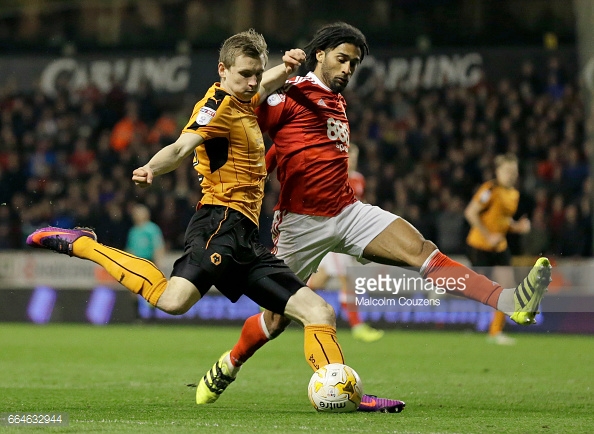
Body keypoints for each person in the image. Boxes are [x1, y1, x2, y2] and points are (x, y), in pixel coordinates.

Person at [196, 22, 552, 408]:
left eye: (354, 63)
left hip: (348, 211)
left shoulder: (337, 102)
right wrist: (281, 73)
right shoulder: (291, 94)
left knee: (422, 251)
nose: (348, 69)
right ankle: (229, 364)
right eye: (342, 59)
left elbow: (293, 149)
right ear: (320, 55)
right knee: (276, 319)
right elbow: (246, 106)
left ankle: (510, 301)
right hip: (300, 224)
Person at [27, 29, 381, 410]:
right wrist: (150, 167)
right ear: (222, 70)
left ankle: (346, 393)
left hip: (245, 237)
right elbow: (181, 147)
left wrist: (285, 68)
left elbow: (262, 85)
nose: (252, 82)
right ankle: (83, 244)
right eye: (245, 74)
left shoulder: (246, 97)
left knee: (319, 311)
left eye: (256, 74)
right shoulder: (217, 107)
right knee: (172, 300)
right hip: (217, 225)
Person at [306, 144, 384, 342]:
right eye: (349, 155)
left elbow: (359, 206)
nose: (352, 159)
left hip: (349, 236)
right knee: (347, 279)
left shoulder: (358, 179)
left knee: (320, 279)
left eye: (355, 156)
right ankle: (357, 325)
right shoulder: (332, 175)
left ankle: (282, 297)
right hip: (334, 235)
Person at [464, 154, 532, 345]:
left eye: (514, 172)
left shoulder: (514, 195)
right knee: (475, 289)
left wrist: (517, 226)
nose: (511, 175)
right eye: (507, 171)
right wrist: (487, 235)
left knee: (507, 287)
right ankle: (443, 287)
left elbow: (502, 220)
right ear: (498, 172)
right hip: (479, 245)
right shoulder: (489, 189)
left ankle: (495, 332)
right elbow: (470, 212)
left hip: (500, 247)